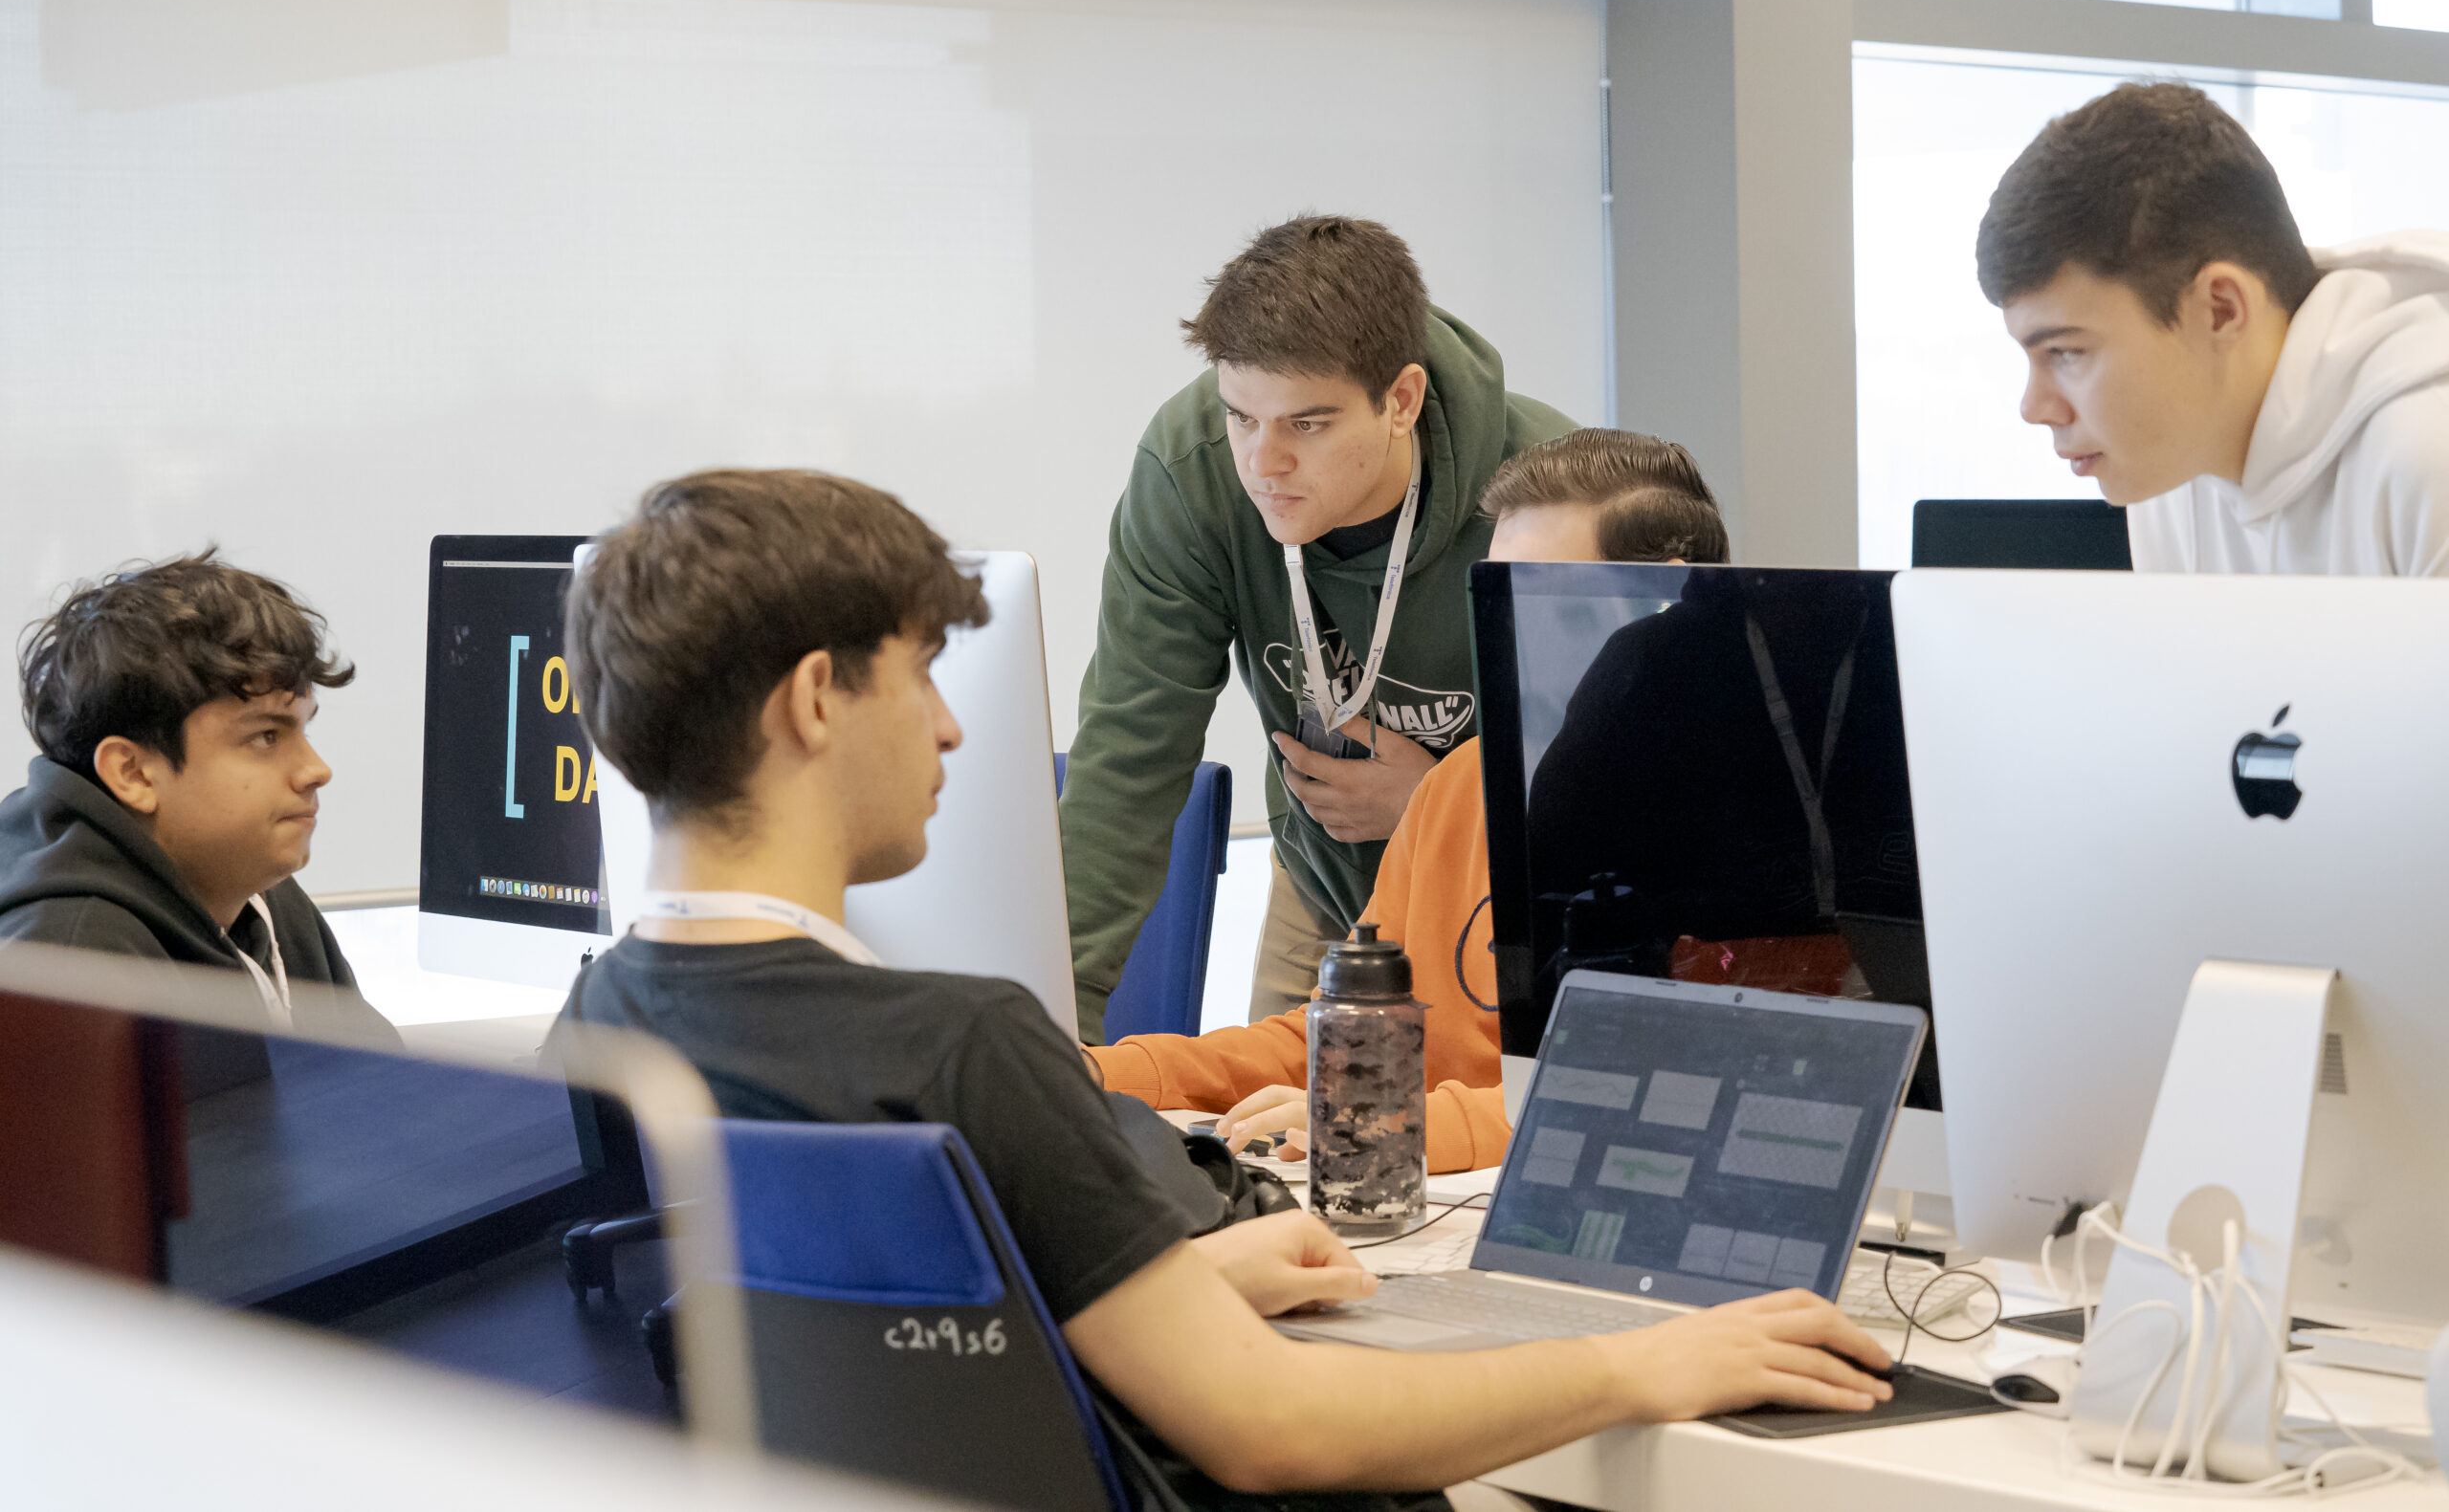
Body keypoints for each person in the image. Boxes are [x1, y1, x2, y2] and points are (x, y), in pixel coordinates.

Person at [555, 468, 1888, 1505]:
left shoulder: (604, 1026)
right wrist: (1642, 1362)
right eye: (919, 679)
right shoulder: (961, 1047)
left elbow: (857, 1332)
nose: (951, 725)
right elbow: (1274, 1428)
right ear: (814, 701)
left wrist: (1154, 1280)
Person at [1087, 431, 1730, 1174]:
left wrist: (1388, 1125)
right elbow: (1347, 1041)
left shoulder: (1742, 817)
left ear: (1663, 608)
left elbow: (1662, 1096)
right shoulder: (1461, 784)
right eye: (1492, 598)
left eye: (1538, 598)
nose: (1506, 636)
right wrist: (1108, 1072)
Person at [1063, 214, 1578, 1039]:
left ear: (1400, 400)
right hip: (1322, 885)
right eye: (1241, 416)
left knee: (1473, 1114)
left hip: (1503, 899)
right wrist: (1051, 1030)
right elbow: (1129, 758)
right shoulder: (1193, 475)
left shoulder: (1549, 499)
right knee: (1271, 1111)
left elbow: (1610, 789)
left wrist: (1441, 803)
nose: (1262, 464)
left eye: (1307, 424)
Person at [1978, 79, 2449, 575]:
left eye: (2066, 352)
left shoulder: (2427, 448)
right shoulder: (2170, 467)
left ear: (2221, 309)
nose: (2034, 408)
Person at [0, 552, 381, 1031]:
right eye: (266, 737)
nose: (316, 771)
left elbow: (376, 1073)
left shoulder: (251, 888)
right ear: (134, 774)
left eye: (304, 730)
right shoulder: (71, 967)